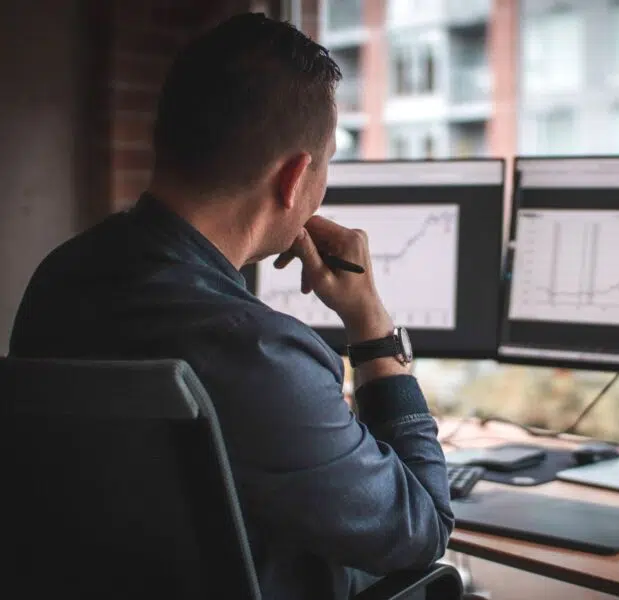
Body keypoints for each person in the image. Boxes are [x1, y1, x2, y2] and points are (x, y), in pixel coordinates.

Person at [9, 14, 453, 600]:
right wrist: (370, 325)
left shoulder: (57, 279)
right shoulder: (259, 350)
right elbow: (423, 526)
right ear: (294, 179)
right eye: (324, 167)